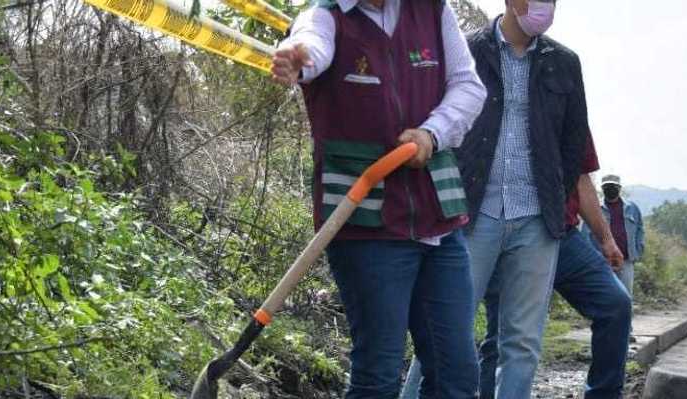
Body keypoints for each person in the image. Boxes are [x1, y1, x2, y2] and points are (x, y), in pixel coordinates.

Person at [271, 0, 487, 397]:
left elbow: (469, 86)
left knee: (456, 373)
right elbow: (313, 46)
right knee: (379, 375)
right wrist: (298, 58)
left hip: (438, 220)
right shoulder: (326, 15)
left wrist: (433, 132)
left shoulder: (432, 10)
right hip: (366, 225)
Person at [403, 0, 593, 397]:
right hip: (471, 214)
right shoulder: (467, 50)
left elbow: (574, 143)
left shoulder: (565, 63)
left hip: (536, 219)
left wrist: (554, 200)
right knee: (444, 332)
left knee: (522, 342)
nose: (545, 7)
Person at [403, 139, 634, 399]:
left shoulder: (565, 114)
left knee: (615, 303)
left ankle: (604, 394)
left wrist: (606, 239)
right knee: (478, 331)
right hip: (489, 224)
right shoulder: (483, 113)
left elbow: (581, 176)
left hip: (558, 231)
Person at [586, 175, 645, 298]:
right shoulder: (595, 208)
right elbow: (586, 234)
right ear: (602, 188)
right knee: (603, 295)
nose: (610, 189)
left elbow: (640, 230)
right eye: (607, 186)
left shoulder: (632, 208)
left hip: (626, 260)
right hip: (602, 261)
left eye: (613, 186)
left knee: (625, 296)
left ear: (619, 188)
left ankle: (624, 312)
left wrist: (638, 251)